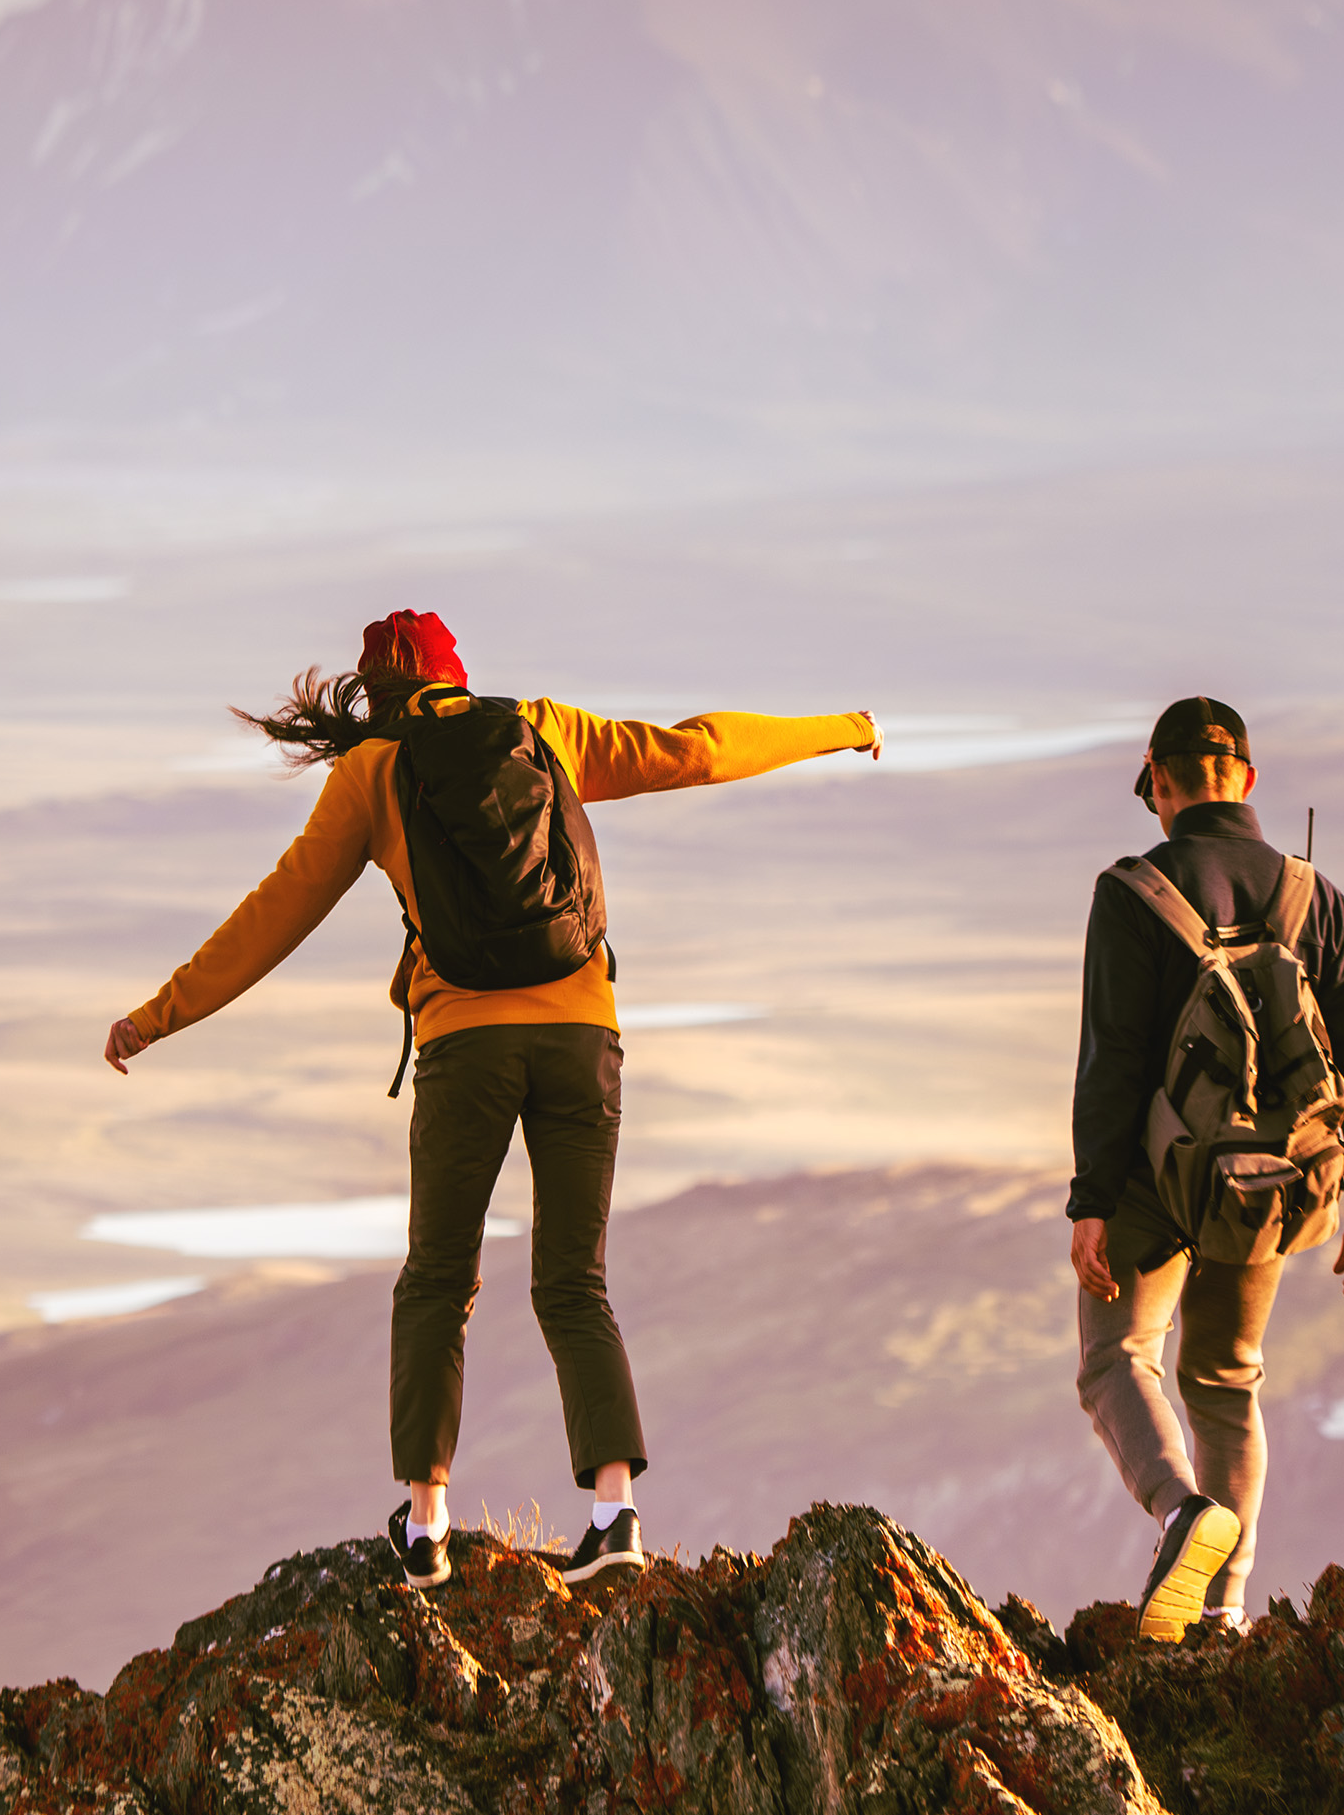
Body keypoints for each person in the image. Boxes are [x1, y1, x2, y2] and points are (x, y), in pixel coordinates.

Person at [105, 609, 875, 1590]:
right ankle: (614, 1515)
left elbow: (273, 916)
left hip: (465, 1049)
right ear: (456, 676)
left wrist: (154, 1018)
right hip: (580, 1037)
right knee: (572, 1280)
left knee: (437, 1280)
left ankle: (424, 1526)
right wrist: (841, 726)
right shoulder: (541, 731)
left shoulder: (370, 776)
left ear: (374, 695)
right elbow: (699, 751)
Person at [1068, 694, 1344, 1641]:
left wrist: (1092, 1202)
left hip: (1150, 1186)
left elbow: (1114, 1059)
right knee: (1226, 1378)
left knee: (1116, 1359)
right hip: (1274, 1191)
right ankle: (1224, 1609)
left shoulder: (1133, 892)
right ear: (1248, 781)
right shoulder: (1314, 898)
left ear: (1158, 782)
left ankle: (1182, 1515)